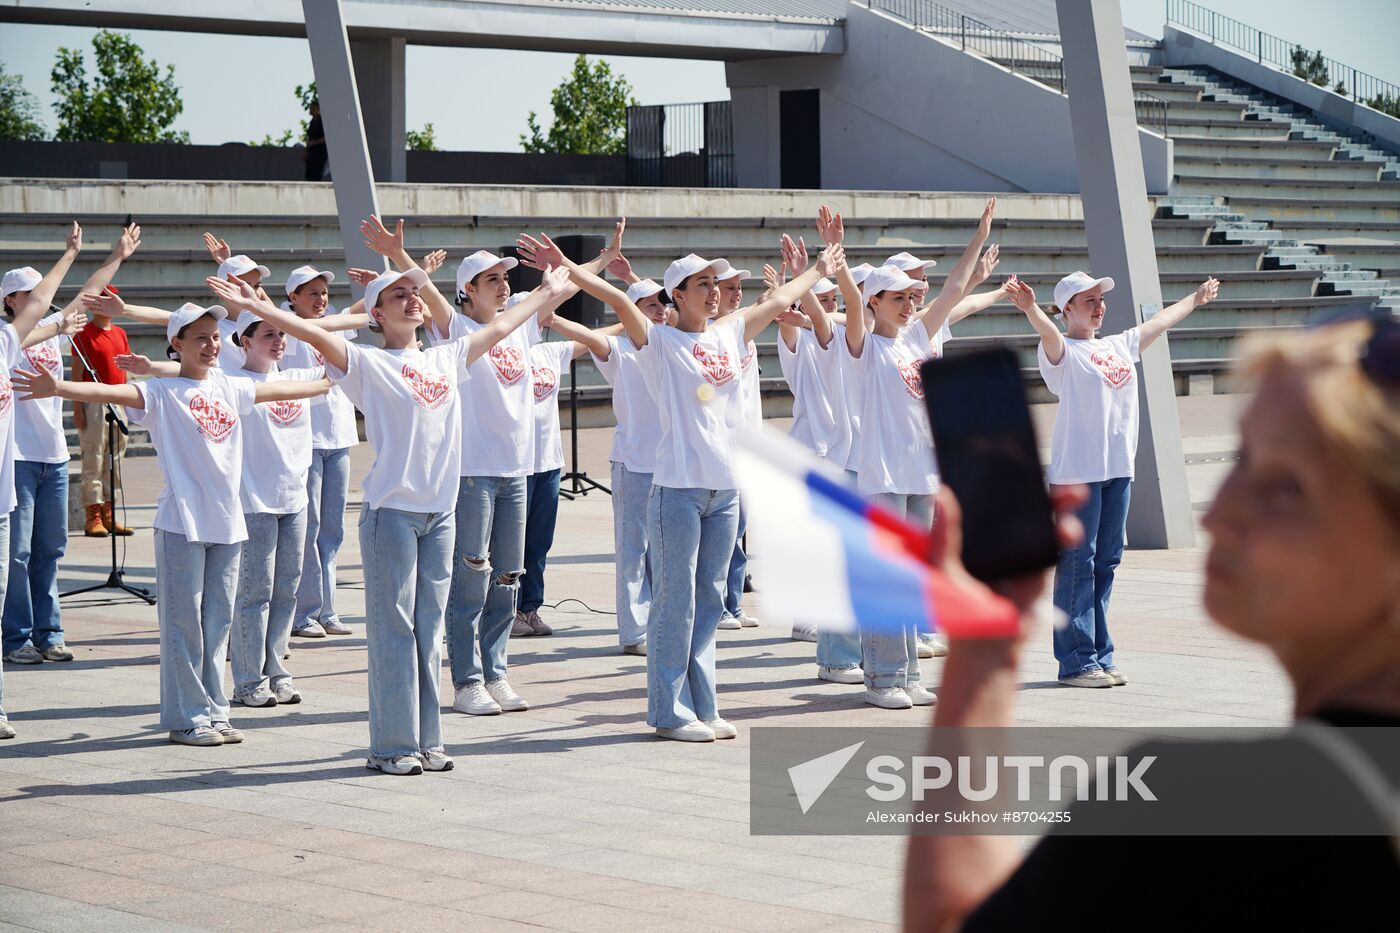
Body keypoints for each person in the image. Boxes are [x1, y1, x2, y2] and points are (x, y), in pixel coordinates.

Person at [902, 313, 1400, 931]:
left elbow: (948, 919)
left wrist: (984, 652)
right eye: (1242, 457)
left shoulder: (1199, 812)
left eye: (1284, 487)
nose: (1219, 513)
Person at [211, 255, 570, 772]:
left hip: (440, 515)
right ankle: (392, 746)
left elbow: (508, 323)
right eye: (396, 295)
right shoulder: (368, 363)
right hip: (392, 515)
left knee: (428, 631)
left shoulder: (446, 357)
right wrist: (255, 306)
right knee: (395, 630)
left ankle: (427, 738)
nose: (411, 299)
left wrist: (549, 290)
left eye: (414, 292)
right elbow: (311, 334)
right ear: (376, 313)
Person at [545, 222, 844, 742]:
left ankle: (702, 703)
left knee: (709, 601)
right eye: (701, 284)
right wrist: (571, 269)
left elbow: (778, 303)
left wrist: (819, 269)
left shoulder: (729, 332)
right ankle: (667, 710)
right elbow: (617, 300)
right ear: (676, 295)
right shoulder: (658, 341)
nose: (712, 291)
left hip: (724, 492)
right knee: (675, 604)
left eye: (714, 283)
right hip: (678, 491)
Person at [15, 300, 332, 748]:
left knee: (218, 624)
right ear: (176, 345)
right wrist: (60, 387)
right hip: (181, 523)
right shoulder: (161, 394)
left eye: (215, 337)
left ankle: (215, 711)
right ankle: (186, 718)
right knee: (185, 626)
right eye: (199, 338)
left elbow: (279, 392)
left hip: (228, 525)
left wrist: (335, 376)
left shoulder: (228, 386)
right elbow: (113, 393)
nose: (211, 345)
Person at [1007, 271, 1219, 687]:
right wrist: (1031, 307)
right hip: (1077, 476)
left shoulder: (1118, 344)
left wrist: (1194, 299)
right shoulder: (1061, 349)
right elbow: (1048, 333)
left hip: (1117, 471)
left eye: (1100, 299)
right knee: (1078, 564)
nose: (1098, 306)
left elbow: (1159, 323)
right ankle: (1076, 661)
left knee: (1106, 562)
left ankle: (1100, 653)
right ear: (1067, 307)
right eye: (1088, 300)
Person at [835, 200, 997, 710]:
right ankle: (882, 677)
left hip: (921, 477)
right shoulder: (863, 346)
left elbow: (952, 291)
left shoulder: (920, 337)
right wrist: (837, 264)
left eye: (911, 297)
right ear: (874, 301)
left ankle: (905, 672)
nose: (909, 305)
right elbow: (848, 303)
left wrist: (978, 236)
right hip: (882, 477)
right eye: (898, 298)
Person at [0, 222, 85, 739]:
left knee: (50, 548)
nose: (43, 303)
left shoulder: (48, 334)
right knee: (20, 554)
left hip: (53, 455)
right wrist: (67, 258)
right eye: (31, 296)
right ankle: (16, 637)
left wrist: (90, 254)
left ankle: (48, 631)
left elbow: (83, 297)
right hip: (18, 460)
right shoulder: (14, 340)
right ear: (12, 300)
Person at [713, 263, 761, 631]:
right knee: (724, 534)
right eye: (727, 286)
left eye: (737, 287)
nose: (735, 293)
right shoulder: (713, 336)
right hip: (721, 447)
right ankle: (720, 608)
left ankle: (733, 602)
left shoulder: (747, 331)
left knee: (741, 529)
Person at [304, 98, 327, 182]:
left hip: (320, 151)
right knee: (309, 173)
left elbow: (326, 137)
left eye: (313, 108)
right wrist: (306, 151)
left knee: (317, 172)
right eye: (310, 108)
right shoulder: (312, 122)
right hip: (312, 151)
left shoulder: (322, 121)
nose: (311, 110)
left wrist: (316, 142)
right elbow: (309, 138)